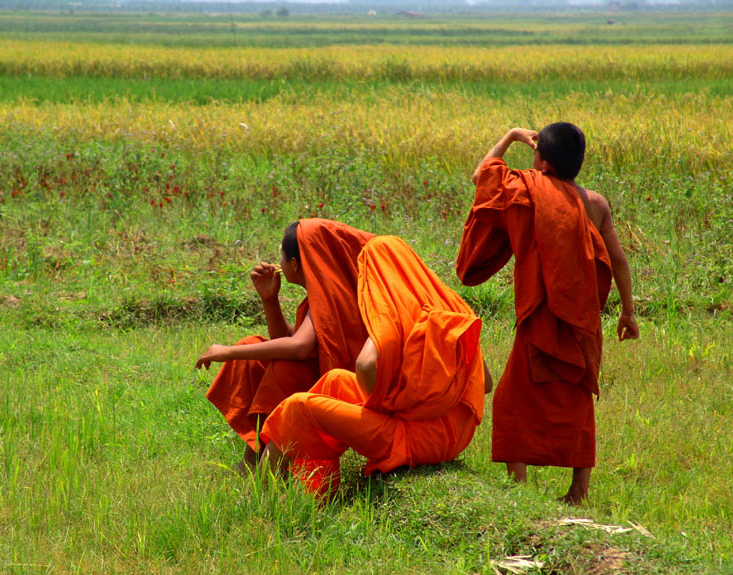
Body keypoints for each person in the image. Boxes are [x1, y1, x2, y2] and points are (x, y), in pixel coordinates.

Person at [455, 123, 639, 505]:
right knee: (577, 397)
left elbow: (482, 176)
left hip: (541, 312)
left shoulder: (527, 190)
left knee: (512, 399)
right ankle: (579, 490)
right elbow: (618, 259)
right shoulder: (596, 202)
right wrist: (628, 312)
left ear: (541, 161)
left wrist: (507, 137)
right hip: (581, 319)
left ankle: (519, 487)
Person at [258, 235, 492, 500]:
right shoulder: (453, 307)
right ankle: (311, 490)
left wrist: (383, 408)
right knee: (334, 380)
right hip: (454, 435)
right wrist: (425, 397)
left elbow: (365, 364)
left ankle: (269, 499)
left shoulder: (393, 312)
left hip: (416, 440)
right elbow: (486, 384)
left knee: (297, 406)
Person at [196, 219, 373, 472]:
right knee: (253, 348)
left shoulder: (330, 296)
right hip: (320, 375)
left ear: (294, 264)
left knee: (284, 370)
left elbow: (299, 347)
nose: (277, 262)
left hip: (341, 388)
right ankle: (257, 452)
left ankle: (262, 462)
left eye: (281, 254)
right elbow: (292, 339)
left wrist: (227, 352)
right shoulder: (319, 293)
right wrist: (270, 300)